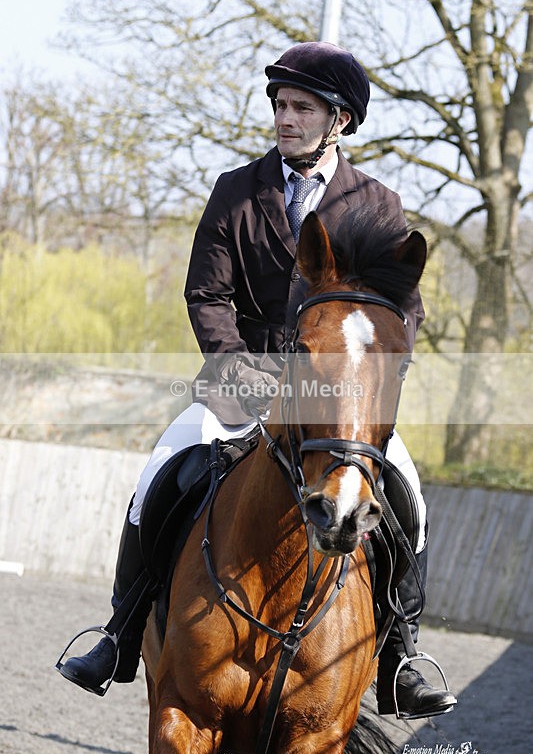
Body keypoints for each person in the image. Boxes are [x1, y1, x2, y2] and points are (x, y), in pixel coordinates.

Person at [58, 41, 456, 719]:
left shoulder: (378, 204)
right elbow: (206, 294)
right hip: (240, 383)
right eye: (280, 105)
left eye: (302, 108)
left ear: (339, 121)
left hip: (337, 399)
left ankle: (400, 657)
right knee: (158, 475)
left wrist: (367, 379)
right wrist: (236, 364)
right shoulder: (236, 190)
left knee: (407, 495)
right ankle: (120, 634)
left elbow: (401, 311)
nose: (285, 118)